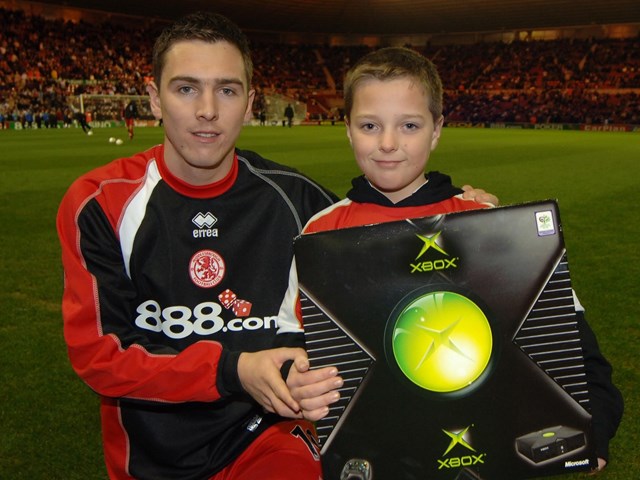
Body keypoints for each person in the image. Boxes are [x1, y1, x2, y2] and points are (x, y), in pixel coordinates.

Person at [56, 13, 497, 479]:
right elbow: (98, 355)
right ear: (153, 98)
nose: (207, 109)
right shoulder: (101, 204)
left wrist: (467, 219)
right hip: (155, 457)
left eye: (226, 90)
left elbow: (387, 247)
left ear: (249, 103)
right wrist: (234, 370)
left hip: (269, 432)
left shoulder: (298, 200)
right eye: (186, 89)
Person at [291, 46, 623, 472]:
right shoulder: (320, 235)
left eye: (409, 125)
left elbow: (575, 348)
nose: (388, 143)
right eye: (370, 125)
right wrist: (293, 381)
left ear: (436, 130)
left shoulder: (487, 224)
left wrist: (593, 435)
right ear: (348, 130)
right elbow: (288, 352)